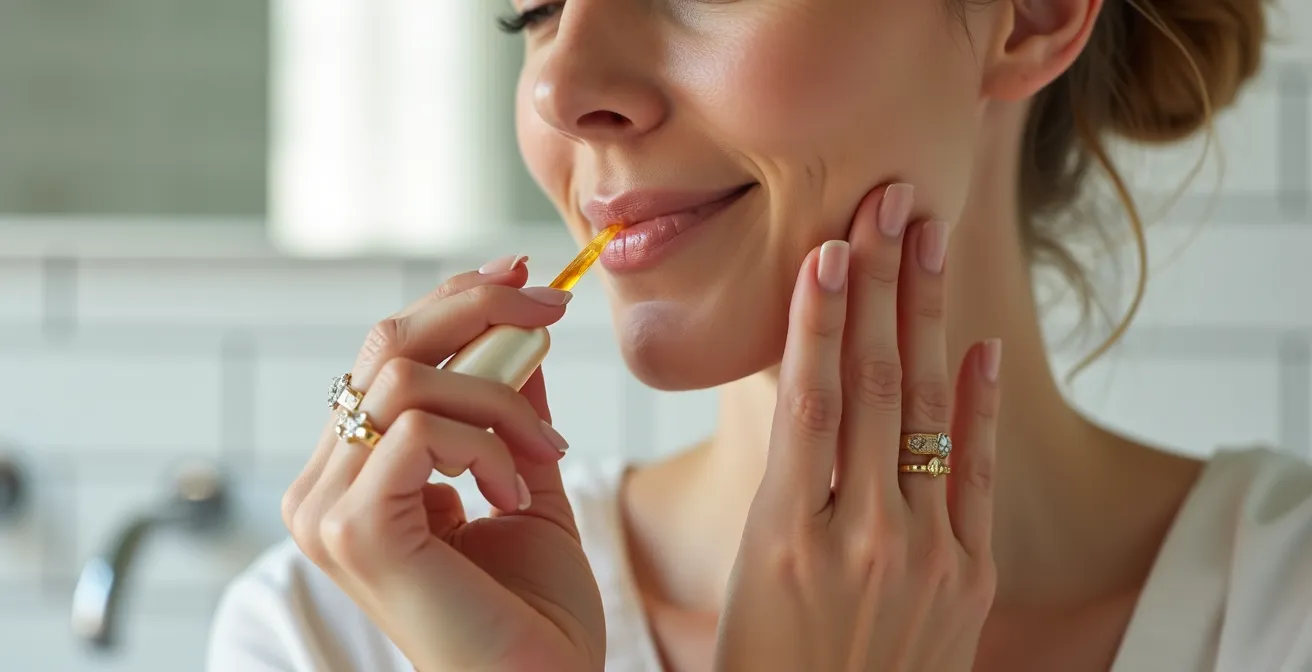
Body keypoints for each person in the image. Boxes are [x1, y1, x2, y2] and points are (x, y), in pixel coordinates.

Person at [207, 0, 1312, 670]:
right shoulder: (336, 636)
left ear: (1028, 16)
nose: (561, 87)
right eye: (534, 6)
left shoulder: (1283, 613)